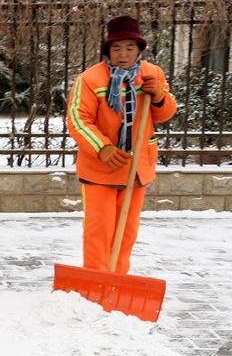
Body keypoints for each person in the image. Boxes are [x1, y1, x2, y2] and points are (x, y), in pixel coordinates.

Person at [66, 15, 178, 274]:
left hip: (137, 167)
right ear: (108, 50)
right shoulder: (90, 79)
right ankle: (96, 279)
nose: (123, 54)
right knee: (100, 230)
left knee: (126, 231)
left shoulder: (153, 74)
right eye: (116, 48)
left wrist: (160, 95)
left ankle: (118, 279)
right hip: (100, 169)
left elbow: (164, 114)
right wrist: (103, 148)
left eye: (129, 47)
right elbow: (77, 119)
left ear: (139, 49)